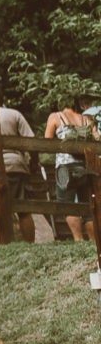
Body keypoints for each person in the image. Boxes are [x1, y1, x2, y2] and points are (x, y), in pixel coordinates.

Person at [46, 100, 98, 244]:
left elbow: (46, 141)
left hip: (65, 166)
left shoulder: (56, 117)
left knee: (66, 203)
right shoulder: (86, 119)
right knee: (86, 204)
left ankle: (78, 239)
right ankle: (93, 240)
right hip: (84, 167)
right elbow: (96, 138)